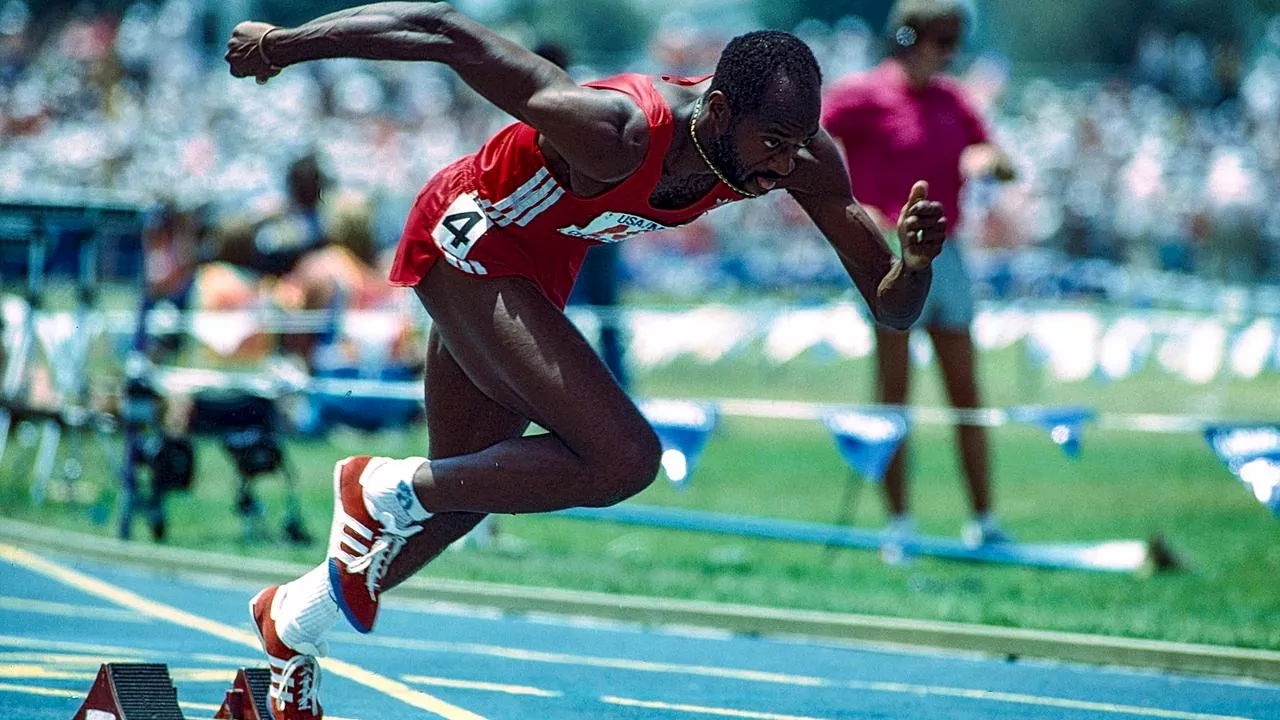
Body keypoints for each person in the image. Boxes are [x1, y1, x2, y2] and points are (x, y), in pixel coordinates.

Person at [224, 4, 948, 717]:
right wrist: (286, 45)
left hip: (540, 270)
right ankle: (383, 485)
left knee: (478, 485)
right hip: (470, 235)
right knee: (625, 458)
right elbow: (447, 33)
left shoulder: (803, 160)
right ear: (721, 110)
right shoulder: (618, 130)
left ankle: (292, 620)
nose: (784, 166)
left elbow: (892, 306)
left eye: (798, 144)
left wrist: (913, 264)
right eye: (773, 144)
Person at [821, 0, 1017, 562]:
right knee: (893, 396)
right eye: (942, 38)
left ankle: (984, 521)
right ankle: (899, 526)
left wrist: (988, 162)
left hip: (948, 254)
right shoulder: (862, 95)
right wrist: (850, 217)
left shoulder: (954, 99)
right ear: (910, 36)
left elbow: (989, 149)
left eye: (956, 39)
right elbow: (810, 141)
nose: (952, 51)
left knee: (966, 398)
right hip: (888, 256)